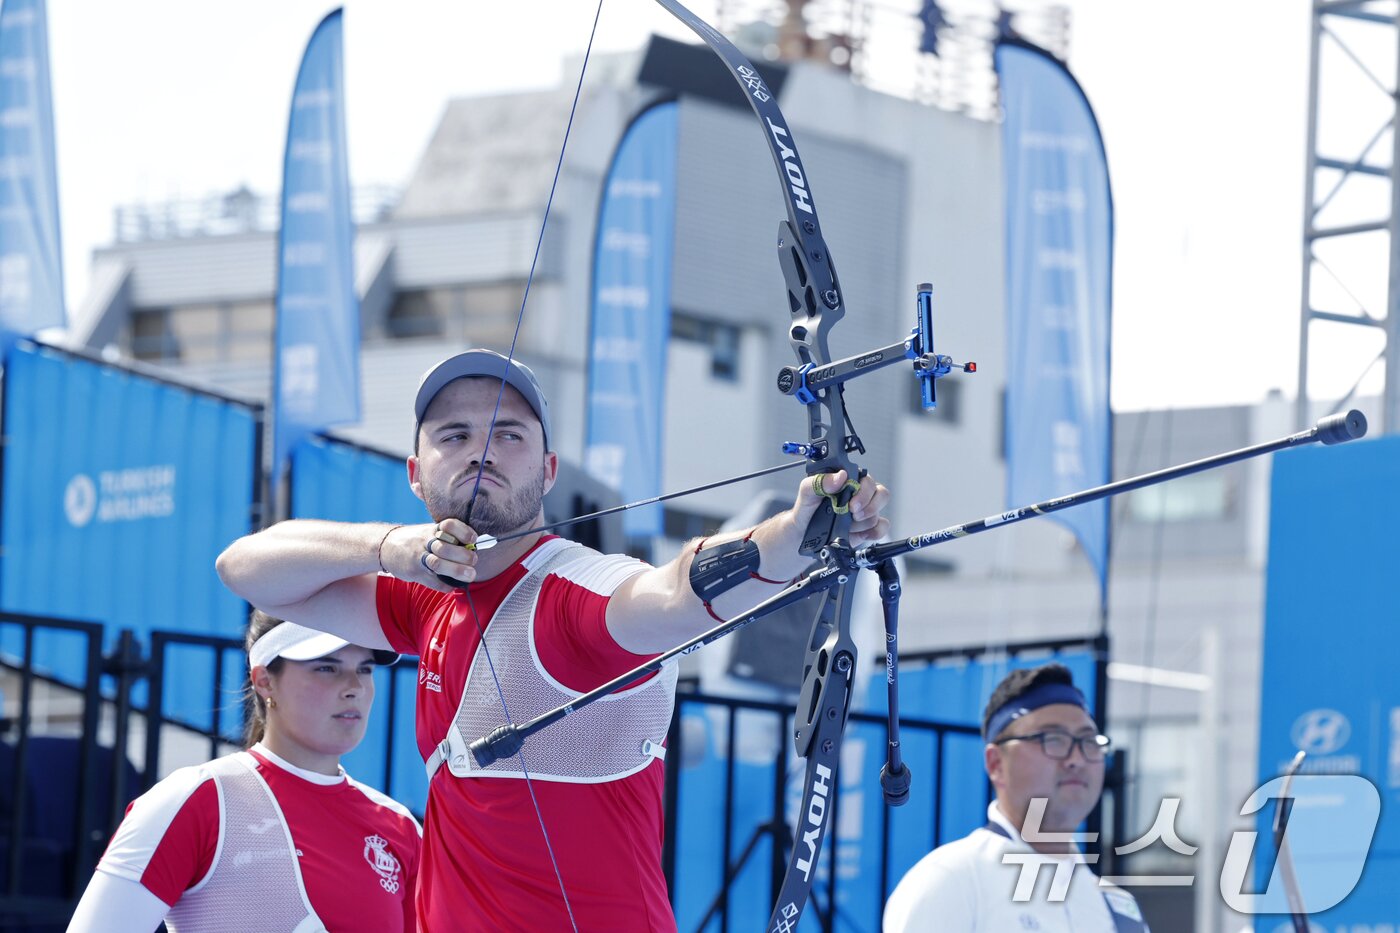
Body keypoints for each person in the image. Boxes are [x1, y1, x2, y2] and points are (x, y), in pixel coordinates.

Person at [214, 349, 891, 931]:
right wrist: (391, 547)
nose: (480, 450)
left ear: (548, 469)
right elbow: (248, 570)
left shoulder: (576, 597)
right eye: (453, 434)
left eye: (508, 434)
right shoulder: (429, 597)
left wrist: (793, 535)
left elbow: (674, 594)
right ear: (416, 473)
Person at [67, 612, 422, 933]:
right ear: (264, 680)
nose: (354, 688)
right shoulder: (198, 798)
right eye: (326, 668)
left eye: (365, 669)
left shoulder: (401, 826)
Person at [884, 663, 1150, 932]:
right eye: (1054, 739)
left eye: (1089, 741)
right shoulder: (952, 880)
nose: (1076, 759)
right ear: (996, 763)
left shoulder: (1115, 908)